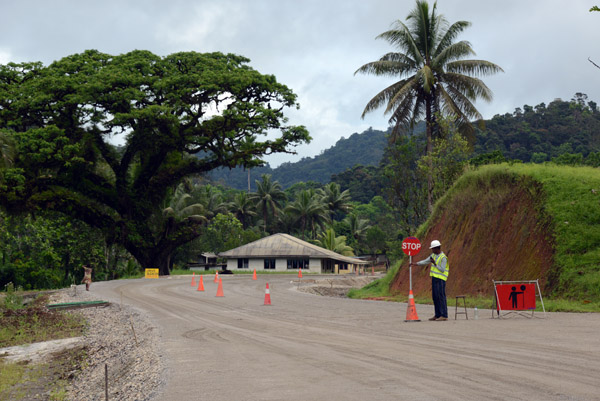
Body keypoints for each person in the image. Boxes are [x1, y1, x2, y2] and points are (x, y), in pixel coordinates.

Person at [410, 240, 449, 321]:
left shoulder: (443, 257)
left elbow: (442, 269)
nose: (432, 250)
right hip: (434, 278)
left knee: (441, 296)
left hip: (441, 279)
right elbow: (425, 261)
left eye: (433, 248)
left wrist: (435, 264)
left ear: (436, 248)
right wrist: (415, 264)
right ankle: (437, 314)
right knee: (435, 297)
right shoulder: (433, 255)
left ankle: (444, 315)